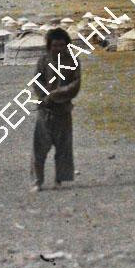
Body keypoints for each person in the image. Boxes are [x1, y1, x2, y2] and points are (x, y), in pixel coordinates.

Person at [31, 28, 81, 191]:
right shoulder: (43, 61)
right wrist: (45, 97)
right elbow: (37, 81)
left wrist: (57, 94)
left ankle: (59, 180)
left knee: (63, 147)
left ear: (66, 45)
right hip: (44, 111)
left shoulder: (73, 61)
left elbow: (75, 84)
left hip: (63, 110)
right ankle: (37, 181)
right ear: (49, 46)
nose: (58, 49)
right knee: (39, 147)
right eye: (54, 46)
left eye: (61, 45)